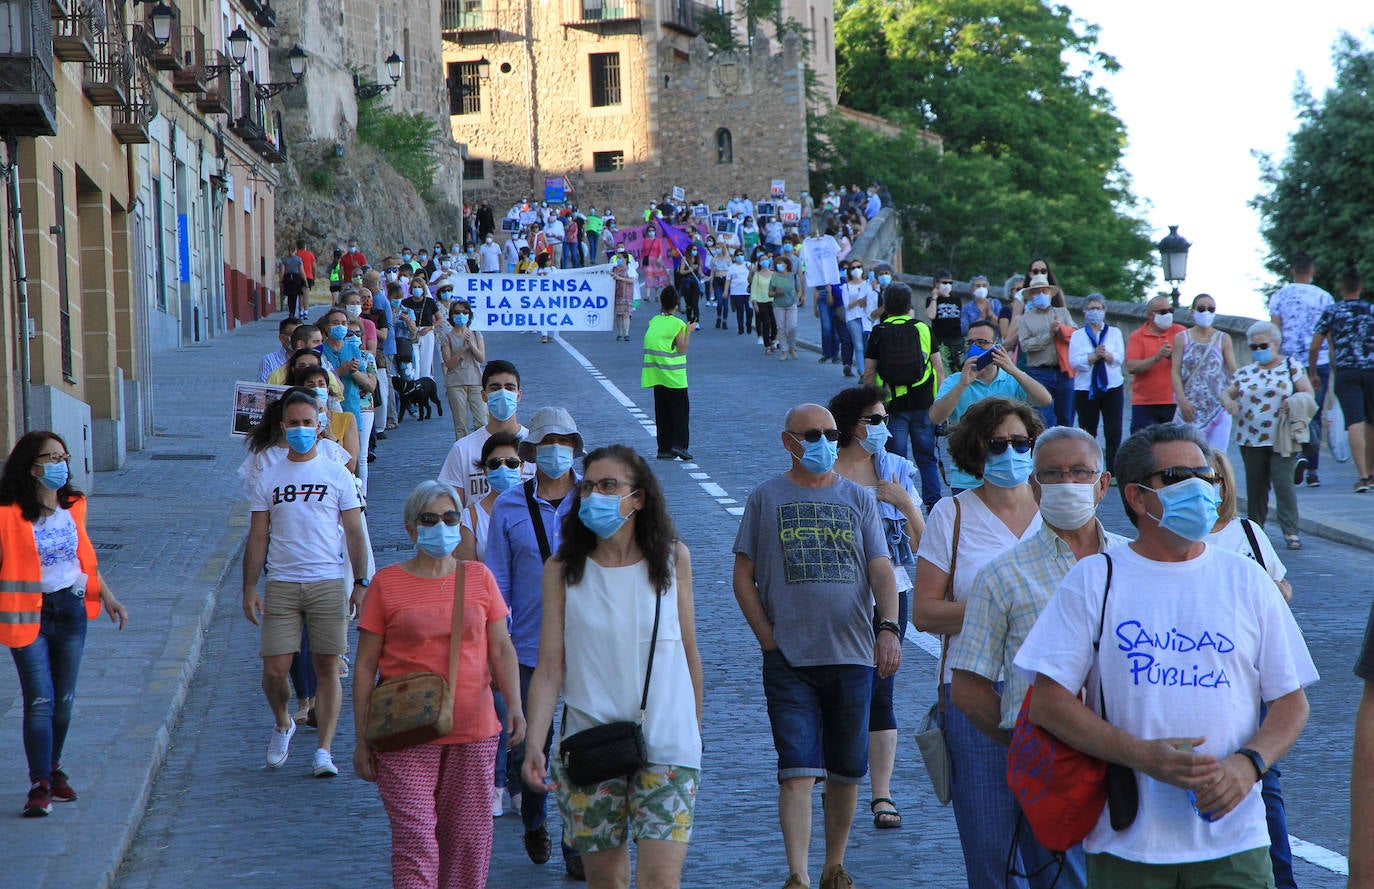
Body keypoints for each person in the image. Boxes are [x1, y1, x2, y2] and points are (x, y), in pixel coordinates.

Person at [1015, 423, 1318, 889]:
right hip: (1127, 842)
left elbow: (1290, 701)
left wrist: (1248, 764)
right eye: (1179, 476)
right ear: (1137, 497)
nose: (1199, 488)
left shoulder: (1248, 579)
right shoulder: (1094, 580)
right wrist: (1141, 756)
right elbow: (1047, 703)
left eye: (1206, 476)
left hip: (1235, 841)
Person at [948, 426, 1128, 889]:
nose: (1067, 482)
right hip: (1056, 776)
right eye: (1052, 473)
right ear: (1033, 485)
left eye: (1079, 472)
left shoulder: (1137, 564)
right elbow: (968, 688)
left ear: (1102, 483)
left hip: (1135, 766)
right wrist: (1030, 746)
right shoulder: (1001, 576)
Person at [733, 403, 901, 889]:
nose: (824, 442)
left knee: (848, 770)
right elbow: (742, 576)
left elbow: (880, 570)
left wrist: (887, 628)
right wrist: (768, 639)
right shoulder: (765, 498)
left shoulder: (857, 498)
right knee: (797, 770)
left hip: (852, 656)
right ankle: (799, 875)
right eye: (812, 434)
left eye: (830, 433)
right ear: (788, 441)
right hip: (789, 659)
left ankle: (834, 864)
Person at [523, 446, 704, 889]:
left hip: (668, 746)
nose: (595, 495)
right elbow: (549, 667)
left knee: (661, 879)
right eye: (588, 487)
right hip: (589, 744)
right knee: (606, 880)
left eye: (608, 486)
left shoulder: (672, 559)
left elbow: (689, 652)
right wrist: (534, 745)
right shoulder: (562, 569)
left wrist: (693, 733)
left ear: (638, 497)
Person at [353, 480, 525, 889]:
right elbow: (364, 667)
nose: (442, 526)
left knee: (468, 841)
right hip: (403, 733)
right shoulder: (387, 584)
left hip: (474, 731)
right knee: (415, 840)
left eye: (450, 518)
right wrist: (362, 740)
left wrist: (516, 706)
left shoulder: (480, 578)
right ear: (412, 529)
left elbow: (501, 648)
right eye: (430, 519)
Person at [912, 397, 1045, 888]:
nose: (1011, 452)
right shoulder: (953, 515)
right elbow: (924, 612)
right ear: (976, 450)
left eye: (1021, 443)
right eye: (998, 444)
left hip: (1056, 697)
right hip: (974, 698)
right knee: (989, 848)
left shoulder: (1061, 513)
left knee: (1057, 849)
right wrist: (1003, 607)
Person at [241, 390, 369, 777]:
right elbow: (258, 536)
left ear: (320, 426)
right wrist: (249, 587)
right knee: (274, 670)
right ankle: (284, 721)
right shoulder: (270, 476)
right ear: (283, 427)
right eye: (293, 423)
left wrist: (360, 582)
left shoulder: (337, 475)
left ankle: (324, 751)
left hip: (327, 581)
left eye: (307, 423)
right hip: (281, 582)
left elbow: (354, 532)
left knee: (328, 666)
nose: (300, 429)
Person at [0, 432, 129, 817]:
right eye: (50, 457)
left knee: (64, 703)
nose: (59, 464)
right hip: (28, 614)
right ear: (30, 465)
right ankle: (39, 783)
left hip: (70, 610)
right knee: (40, 700)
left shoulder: (73, 505)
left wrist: (108, 595)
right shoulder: (8, 513)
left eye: (63, 456)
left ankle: (53, 769)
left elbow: (82, 559)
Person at [487, 407, 585, 877]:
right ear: (531, 451)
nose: (556, 449)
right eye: (548, 441)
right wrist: (496, 639)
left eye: (564, 440)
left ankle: (575, 841)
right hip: (527, 643)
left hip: (588, 645)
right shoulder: (509, 505)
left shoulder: (594, 498)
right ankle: (533, 819)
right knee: (531, 743)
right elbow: (497, 580)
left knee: (581, 748)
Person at [829, 386, 925, 832]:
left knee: (881, 688)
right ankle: (840, 775)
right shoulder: (823, 469)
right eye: (875, 420)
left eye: (885, 419)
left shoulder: (898, 470)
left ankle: (881, 794)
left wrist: (903, 502)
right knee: (839, 687)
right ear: (850, 425)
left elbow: (925, 545)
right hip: (835, 592)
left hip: (893, 592)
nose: (883, 427)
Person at [930, 320, 1053, 493]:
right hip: (968, 477)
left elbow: (1044, 400)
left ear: (997, 346)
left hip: (1010, 476)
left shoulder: (1011, 379)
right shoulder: (954, 381)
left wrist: (1014, 370)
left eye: (982, 342)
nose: (975, 347)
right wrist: (962, 384)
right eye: (970, 343)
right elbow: (936, 417)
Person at [1221, 320, 1313, 551]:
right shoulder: (1245, 373)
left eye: (1263, 345)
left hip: (1282, 436)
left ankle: (1291, 531)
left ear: (1276, 343)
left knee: (1283, 484)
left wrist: (1292, 403)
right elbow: (1226, 393)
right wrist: (1229, 403)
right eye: (1254, 347)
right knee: (1256, 487)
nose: (1258, 351)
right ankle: (1255, 531)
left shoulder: (1291, 366)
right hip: (1250, 437)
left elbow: (1308, 394)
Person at [862, 283, 944, 510]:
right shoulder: (923, 328)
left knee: (895, 461)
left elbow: (869, 372)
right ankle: (934, 506)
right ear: (910, 304)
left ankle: (900, 507)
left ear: (885, 305)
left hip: (891, 405)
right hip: (924, 404)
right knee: (927, 458)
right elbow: (938, 369)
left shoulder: (878, 332)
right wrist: (939, 403)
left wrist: (872, 406)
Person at [1269, 252, 1332, 487]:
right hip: (1320, 360)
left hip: (1289, 362)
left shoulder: (1279, 296)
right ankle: (1312, 469)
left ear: (1292, 271)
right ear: (1312, 272)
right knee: (1313, 412)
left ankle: (1295, 457)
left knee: (1292, 412)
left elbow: (1275, 332)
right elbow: (1329, 333)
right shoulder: (1324, 297)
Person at [1310, 265, 1374, 492]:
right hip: (1371, 370)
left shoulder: (1333, 312)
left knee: (1354, 421)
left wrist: (1313, 372)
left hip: (1346, 372)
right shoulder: (1370, 310)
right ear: (1361, 287)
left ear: (1340, 288)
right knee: (1371, 421)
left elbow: (1316, 345)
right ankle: (1372, 472)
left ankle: (1362, 475)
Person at [438, 360, 534, 506]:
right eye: (495, 388)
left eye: (509, 387)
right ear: (484, 395)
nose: (503, 393)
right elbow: (448, 508)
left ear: (518, 395)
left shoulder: (536, 445)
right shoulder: (462, 450)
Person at [1171, 293, 1237, 450]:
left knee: (1217, 458)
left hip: (1217, 408)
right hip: (1189, 408)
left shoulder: (1223, 338)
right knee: (1188, 455)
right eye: (1201, 308)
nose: (1206, 312)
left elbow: (1233, 371)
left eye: (1211, 308)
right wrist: (1182, 400)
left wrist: (1232, 398)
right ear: (1192, 311)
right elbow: (1175, 371)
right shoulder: (1182, 338)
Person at [1069, 293, 1126, 473]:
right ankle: (1088, 467)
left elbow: (1119, 358)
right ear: (1085, 312)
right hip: (1085, 388)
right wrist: (1093, 357)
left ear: (1104, 311)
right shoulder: (1078, 335)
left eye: (1099, 308)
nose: (1096, 312)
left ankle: (1113, 471)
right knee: (1087, 430)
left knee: (1113, 431)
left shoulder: (1114, 333)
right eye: (1092, 308)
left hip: (1112, 386)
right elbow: (1075, 362)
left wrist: (1106, 355)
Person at [1016, 273, 1076, 428]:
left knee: (1066, 417)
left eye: (1044, 291)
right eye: (1037, 292)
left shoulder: (1062, 313)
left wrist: (1062, 330)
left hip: (1064, 371)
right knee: (1044, 418)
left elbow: (1076, 335)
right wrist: (1048, 334)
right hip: (1039, 372)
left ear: (1050, 293)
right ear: (1031, 296)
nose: (1041, 294)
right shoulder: (1024, 319)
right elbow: (1026, 345)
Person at [643, 287, 692, 462]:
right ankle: (680, 445)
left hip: (656, 375)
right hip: (674, 376)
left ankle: (663, 448)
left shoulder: (654, 321)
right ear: (677, 304)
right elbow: (681, 348)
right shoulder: (677, 323)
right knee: (679, 412)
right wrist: (689, 331)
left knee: (662, 413)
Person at [1125, 295, 1187, 431]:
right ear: (1150, 315)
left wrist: (1173, 356)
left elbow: (1192, 361)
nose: (1168, 315)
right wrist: (1156, 358)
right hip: (1145, 404)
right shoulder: (1137, 336)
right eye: (1163, 312)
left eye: (1171, 311)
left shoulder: (1181, 332)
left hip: (1175, 402)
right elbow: (1132, 367)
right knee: (1143, 447)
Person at [440, 299, 486, 440]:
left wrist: (471, 346)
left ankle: (484, 453)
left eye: (464, 312)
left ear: (469, 314)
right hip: (455, 383)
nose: (461, 315)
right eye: (457, 312)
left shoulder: (476, 334)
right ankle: (463, 455)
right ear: (452, 315)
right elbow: (449, 363)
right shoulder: (446, 337)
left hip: (476, 381)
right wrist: (462, 350)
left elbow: (481, 358)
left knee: (482, 421)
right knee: (461, 424)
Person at [801, 226, 845, 365]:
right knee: (826, 326)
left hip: (835, 289)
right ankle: (826, 352)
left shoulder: (830, 241)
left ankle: (835, 354)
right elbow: (815, 290)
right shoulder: (807, 244)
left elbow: (839, 251)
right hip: (821, 290)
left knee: (836, 325)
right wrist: (814, 306)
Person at [840, 261, 874, 374]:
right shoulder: (846, 286)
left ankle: (868, 370)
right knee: (858, 345)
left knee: (867, 345)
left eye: (859, 267)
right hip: (853, 318)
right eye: (853, 267)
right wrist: (858, 300)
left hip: (866, 317)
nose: (856, 269)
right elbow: (847, 305)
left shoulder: (867, 284)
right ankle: (862, 371)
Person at [771, 252, 801, 360]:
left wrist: (797, 298)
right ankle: (784, 351)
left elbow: (799, 289)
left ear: (787, 265)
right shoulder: (774, 277)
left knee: (792, 327)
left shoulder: (793, 276)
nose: (780, 266)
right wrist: (776, 293)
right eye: (778, 264)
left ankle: (792, 347)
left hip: (791, 304)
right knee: (781, 327)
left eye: (782, 264)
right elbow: (770, 292)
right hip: (778, 304)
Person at [259, 316, 301, 382]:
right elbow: (263, 388)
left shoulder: (314, 357)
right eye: (295, 335)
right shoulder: (269, 361)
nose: (299, 340)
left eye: (302, 335)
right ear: (282, 338)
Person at [752, 253, 779, 353]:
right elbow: (753, 290)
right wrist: (755, 304)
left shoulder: (773, 274)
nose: (764, 261)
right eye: (762, 260)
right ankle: (767, 345)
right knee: (766, 323)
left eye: (766, 259)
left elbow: (777, 288)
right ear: (759, 262)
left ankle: (772, 340)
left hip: (773, 302)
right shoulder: (757, 276)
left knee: (774, 324)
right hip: (761, 302)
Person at [612, 250, 635, 342]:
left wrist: (620, 278)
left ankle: (626, 333)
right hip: (617, 294)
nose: (618, 260)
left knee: (626, 314)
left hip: (627, 294)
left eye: (620, 258)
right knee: (618, 315)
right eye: (617, 258)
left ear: (625, 259)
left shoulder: (630, 269)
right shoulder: (614, 269)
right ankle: (620, 333)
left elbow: (632, 281)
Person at [280, 249, 308, 321]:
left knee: (289, 296)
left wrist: (281, 280)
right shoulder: (298, 259)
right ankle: (295, 312)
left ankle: (291, 312)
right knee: (295, 296)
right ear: (295, 251)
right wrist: (305, 280)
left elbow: (282, 271)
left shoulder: (285, 260)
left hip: (288, 278)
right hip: (296, 278)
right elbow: (302, 271)